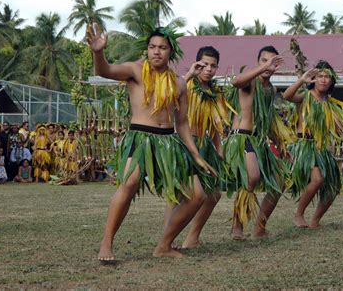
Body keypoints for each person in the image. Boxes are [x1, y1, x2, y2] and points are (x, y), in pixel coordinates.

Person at [87, 23, 216, 261]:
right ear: (147, 49)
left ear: (171, 52)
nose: (156, 51)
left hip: (169, 141)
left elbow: (183, 123)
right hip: (140, 137)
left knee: (197, 195)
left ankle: (164, 246)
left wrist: (196, 155)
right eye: (152, 47)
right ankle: (106, 244)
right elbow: (104, 70)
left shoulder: (178, 83)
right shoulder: (134, 71)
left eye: (163, 48)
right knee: (129, 183)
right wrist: (98, 52)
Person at [166, 46, 231, 249]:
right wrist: (188, 75)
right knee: (180, 195)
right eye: (204, 65)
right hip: (185, 143)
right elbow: (169, 96)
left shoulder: (216, 92)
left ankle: (192, 237)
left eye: (213, 66)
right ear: (197, 63)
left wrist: (219, 149)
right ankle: (167, 239)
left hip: (206, 147)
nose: (209, 69)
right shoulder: (186, 84)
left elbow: (216, 126)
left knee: (214, 194)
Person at [224, 45, 288, 240]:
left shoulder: (272, 89)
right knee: (252, 178)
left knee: (279, 182)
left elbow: (267, 120)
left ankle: (260, 227)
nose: (268, 65)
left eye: (272, 61)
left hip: (259, 141)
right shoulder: (249, 81)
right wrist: (261, 69)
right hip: (241, 137)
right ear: (258, 62)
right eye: (264, 60)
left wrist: (280, 145)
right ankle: (237, 226)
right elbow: (236, 82)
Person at [283, 60, 343, 228]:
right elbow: (287, 96)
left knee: (334, 186)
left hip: (321, 148)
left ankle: (315, 221)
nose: (323, 80)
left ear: (332, 81)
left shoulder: (330, 104)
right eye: (320, 76)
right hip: (303, 146)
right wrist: (301, 81)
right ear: (314, 79)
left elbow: (336, 128)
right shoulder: (306, 96)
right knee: (317, 179)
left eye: (327, 77)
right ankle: (298, 214)